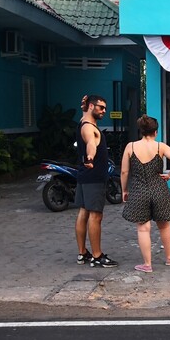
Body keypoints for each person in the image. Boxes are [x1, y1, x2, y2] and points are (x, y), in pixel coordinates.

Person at [121, 115, 170, 272]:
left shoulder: (130, 147)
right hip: (158, 189)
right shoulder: (160, 147)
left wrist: (124, 190)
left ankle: (147, 264)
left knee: (143, 228)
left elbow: (124, 171)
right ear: (155, 132)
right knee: (164, 225)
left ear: (141, 131)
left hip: (139, 190)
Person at [75, 94, 118, 268]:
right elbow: (91, 143)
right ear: (92, 107)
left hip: (84, 175)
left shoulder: (83, 121)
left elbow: (84, 116)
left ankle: (82, 253)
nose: (104, 111)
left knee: (83, 212)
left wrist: (83, 106)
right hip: (94, 177)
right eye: (101, 107)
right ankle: (97, 256)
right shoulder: (89, 129)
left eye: (105, 108)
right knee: (96, 216)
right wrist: (90, 158)